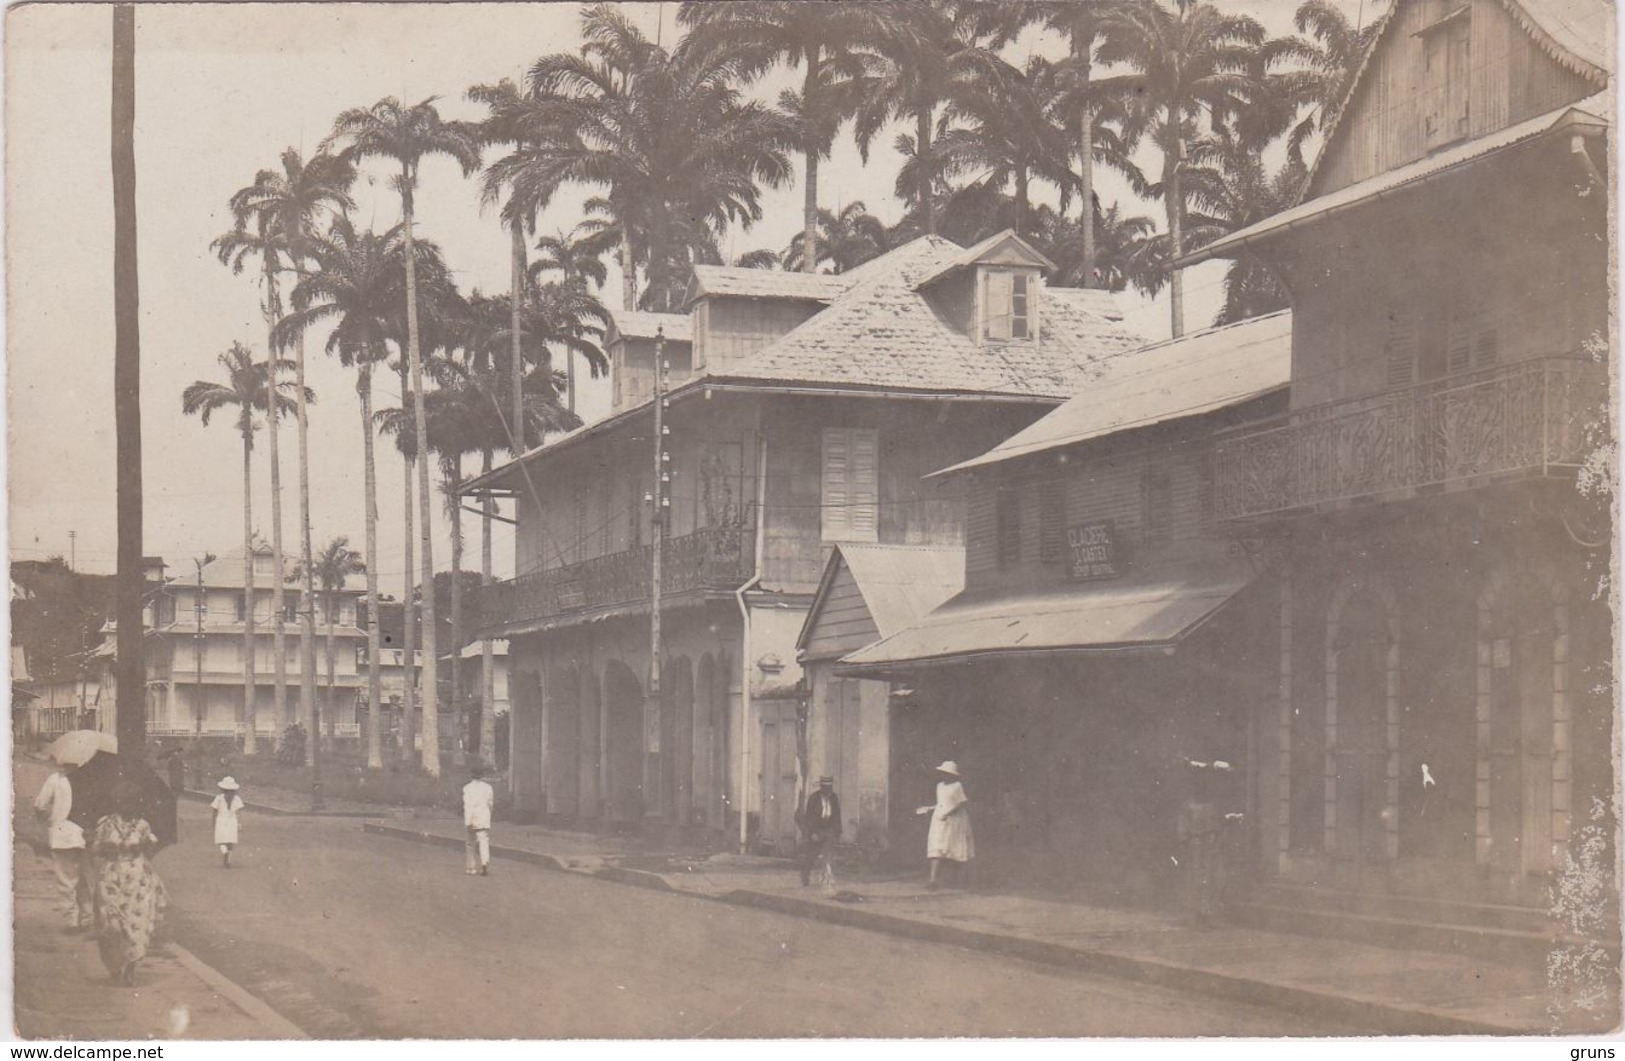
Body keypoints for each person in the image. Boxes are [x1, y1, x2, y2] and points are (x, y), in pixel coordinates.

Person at [90, 779, 167, 986]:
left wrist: (143, 845)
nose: (128, 805)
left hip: (138, 879)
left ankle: (131, 968)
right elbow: (96, 849)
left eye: (132, 801)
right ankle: (115, 966)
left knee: (136, 924)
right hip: (111, 877)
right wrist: (108, 847)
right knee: (111, 925)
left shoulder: (143, 825)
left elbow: (151, 848)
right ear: (117, 801)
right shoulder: (106, 823)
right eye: (124, 801)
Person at [33, 764, 91, 931]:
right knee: (85, 877)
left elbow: (40, 804)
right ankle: (87, 916)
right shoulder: (90, 778)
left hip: (62, 834)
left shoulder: (56, 779)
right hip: (85, 834)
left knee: (66, 878)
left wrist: (47, 817)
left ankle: (71, 918)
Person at [1176, 759, 1229, 927]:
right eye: (1199, 785)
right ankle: (1194, 914)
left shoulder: (1214, 805)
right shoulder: (1189, 805)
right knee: (1194, 878)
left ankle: (1209, 913)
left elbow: (1219, 825)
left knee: (1212, 878)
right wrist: (1184, 843)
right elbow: (1183, 827)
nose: (1202, 789)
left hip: (1211, 845)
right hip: (1195, 845)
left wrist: (1218, 841)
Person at [916, 761, 973, 889]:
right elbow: (941, 802)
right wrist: (929, 808)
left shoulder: (957, 786)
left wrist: (948, 813)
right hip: (939, 819)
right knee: (936, 847)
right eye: (943, 773)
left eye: (947, 774)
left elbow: (961, 804)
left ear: (953, 775)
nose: (945, 776)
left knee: (955, 848)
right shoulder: (939, 786)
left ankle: (961, 881)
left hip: (955, 820)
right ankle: (932, 880)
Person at [797, 776, 841, 889]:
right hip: (816, 830)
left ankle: (826, 878)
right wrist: (812, 833)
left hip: (828, 830)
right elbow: (809, 817)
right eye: (826, 788)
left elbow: (837, 815)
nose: (828, 791)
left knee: (828, 856)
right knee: (811, 856)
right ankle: (805, 875)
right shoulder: (814, 798)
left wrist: (837, 832)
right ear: (821, 788)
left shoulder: (834, 798)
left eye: (830, 788)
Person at [463, 761, 495, 876]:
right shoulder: (488, 788)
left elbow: (467, 805)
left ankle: (471, 867)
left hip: (471, 817)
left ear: (471, 774)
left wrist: (468, 820)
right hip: (484, 817)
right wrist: (489, 814)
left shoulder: (467, 788)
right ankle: (484, 862)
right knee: (484, 840)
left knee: (470, 843)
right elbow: (490, 803)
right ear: (482, 775)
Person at [210, 777, 244, 869]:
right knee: (221, 840)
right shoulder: (219, 798)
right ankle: (225, 854)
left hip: (232, 820)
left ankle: (228, 861)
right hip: (221, 820)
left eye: (233, 791)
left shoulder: (237, 799)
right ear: (224, 791)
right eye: (228, 791)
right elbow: (214, 810)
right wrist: (213, 821)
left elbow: (238, 812)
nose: (231, 793)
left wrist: (239, 823)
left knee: (230, 841)